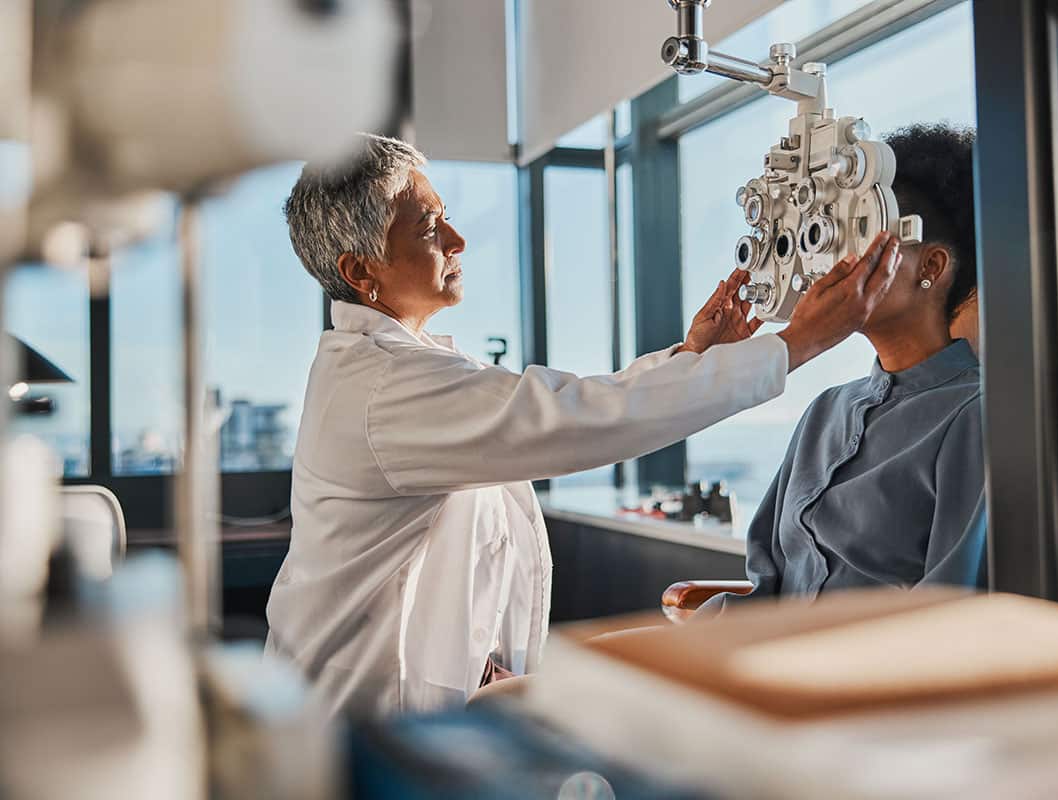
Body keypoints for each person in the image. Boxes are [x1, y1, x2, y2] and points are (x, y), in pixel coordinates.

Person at [264, 134, 902, 716]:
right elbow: (579, 417)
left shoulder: (410, 368)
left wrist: (691, 359)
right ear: (360, 272)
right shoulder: (384, 388)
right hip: (352, 718)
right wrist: (799, 341)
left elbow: (563, 416)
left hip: (421, 692)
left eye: (447, 218)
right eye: (430, 227)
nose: (457, 241)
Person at [703, 123, 984, 613]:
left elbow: (947, 615)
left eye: (867, 240)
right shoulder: (826, 412)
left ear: (931, 268)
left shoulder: (973, 417)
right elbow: (766, 585)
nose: (842, 264)